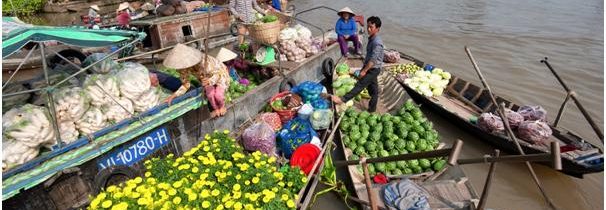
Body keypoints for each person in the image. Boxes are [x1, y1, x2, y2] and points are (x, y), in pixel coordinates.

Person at [163, 44, 231, 118]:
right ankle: (216, 109)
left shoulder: (204, 61)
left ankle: (222, 107)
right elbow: (186, 85)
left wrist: (210, 81)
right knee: (210, 95)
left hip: (219, 75)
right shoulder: (182, 69)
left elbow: (218, 74)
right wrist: (174, 96)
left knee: (218, 95)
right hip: (205, 78)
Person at [331, 16, 383, 112]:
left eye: (371, 27)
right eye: (368, 26)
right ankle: (372, 109)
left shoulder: (377, 43)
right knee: (374, 90)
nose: (368, 29)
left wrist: (364, 70)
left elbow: (373, 60)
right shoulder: (372, 38)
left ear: (377, 29)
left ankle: (342, 99)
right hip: (371, 67)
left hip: (373, 69)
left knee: (360, 85)